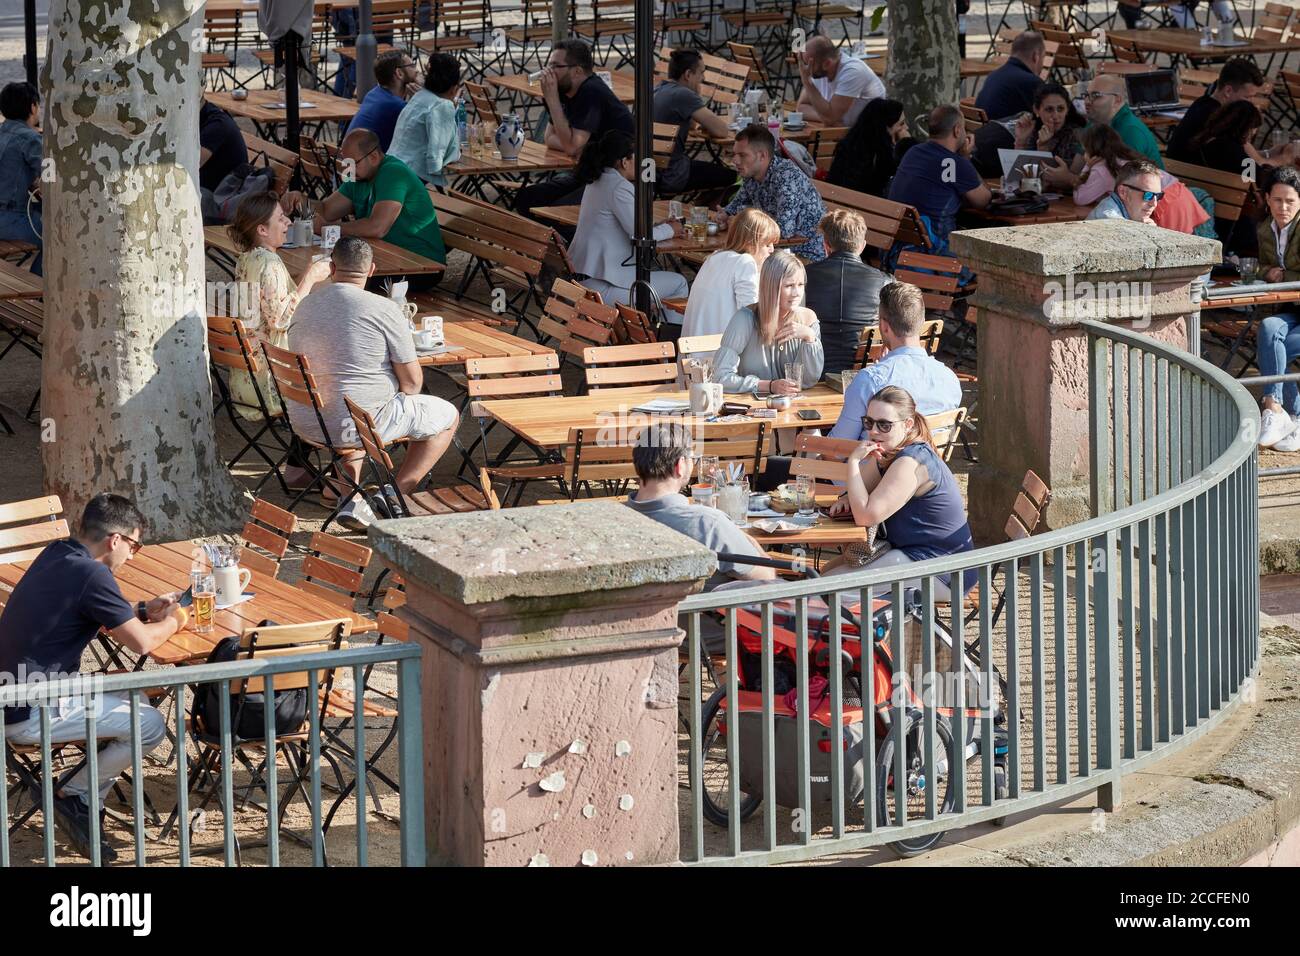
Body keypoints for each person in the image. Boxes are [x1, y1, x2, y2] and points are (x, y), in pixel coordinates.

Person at [1, 494, 181, 861]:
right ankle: (75, 792)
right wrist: (176, 620)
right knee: (149, 724)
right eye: (135, 546)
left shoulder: (58, 553)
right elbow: (144, 644)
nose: (133, 555)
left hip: (15, 692)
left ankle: (86, 799)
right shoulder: (93, 574)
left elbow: (85, 610)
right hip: (27, 711)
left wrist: (144, 609)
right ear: (116, 540)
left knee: (138, 700)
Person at [287, 238, 459, 529]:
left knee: (356, 401)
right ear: (372, 270)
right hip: (357, 423)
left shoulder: (303, 305)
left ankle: (348, 497)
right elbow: (413, 383)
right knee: (447, 416)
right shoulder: (384, 309)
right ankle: (394, 493)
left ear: (331, 268)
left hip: (305, 420)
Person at [825, 386, 974, 599]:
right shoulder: (893, 451)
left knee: (825, 589)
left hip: (943, 572)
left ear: (908, 425)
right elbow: (860, 490)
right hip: (914, 557)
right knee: (827, 572)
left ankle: (863, 630)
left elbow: (865, 515)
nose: (874, 431)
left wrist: (855, 461)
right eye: (869, 422)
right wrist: (848, 498)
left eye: (884, 425)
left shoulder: (910, 461)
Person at [225, 192, 332, 446]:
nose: (289, 223)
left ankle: (299, 468)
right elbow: (280, 320)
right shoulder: (269, 263)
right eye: (282, 219)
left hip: (244, 377)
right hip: (270, 380)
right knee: (334, 380)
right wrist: (311, 275)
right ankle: (307, 466)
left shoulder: (247, 259)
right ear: (262, 229)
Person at [624, 423, 775, 591]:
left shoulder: (613, 519)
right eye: (692, 459)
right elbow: (767, 578)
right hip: (707, 615)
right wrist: (748, 541)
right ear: (680, 466)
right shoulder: (709, 524)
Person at [568, 130, 688, 315]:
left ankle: (646, 335)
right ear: (625, 161)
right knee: (678, 284)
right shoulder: (618, 187)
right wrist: (671, 229)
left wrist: (660, 226)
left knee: (659, 282)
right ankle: (667, 341)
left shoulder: (597, 180)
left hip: (583, 280)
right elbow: (642, 235)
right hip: (599, 289)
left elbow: (627, 225)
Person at [313, 128, 446, 290]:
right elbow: (327, 210)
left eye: (353, 163)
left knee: (330, 281)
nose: (348, 169)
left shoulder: (393, 173)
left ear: (374, 157)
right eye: (345, 163)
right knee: (323, 275)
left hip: (422, 265)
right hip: (386, 261)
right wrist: (300, 201)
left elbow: (377, 227)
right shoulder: (359, 175)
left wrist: (329, 229)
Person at [828, 282, 962, 441]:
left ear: (884, 327)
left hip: (876, 464)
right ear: (922, 322)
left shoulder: (870, 380)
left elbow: (837, 450)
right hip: (928, 463)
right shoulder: (949, 379)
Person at [516, 40, 634, 219]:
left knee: (551, 213)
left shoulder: (590, 91)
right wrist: (575, 144)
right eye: (548, 65)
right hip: (589, 172)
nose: (548, 72)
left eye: (556, 66)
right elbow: (550, 139)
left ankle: (563, 245)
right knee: (526, 198)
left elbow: (571, 146)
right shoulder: (564, 92)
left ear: (577, 71)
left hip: (615, 177)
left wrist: (553, 101)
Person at [710, 250, 823, 395]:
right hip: (751, 410)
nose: (796, 293)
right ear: (771, 286)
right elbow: (720, 378)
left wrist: (809, 338)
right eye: (789, 286)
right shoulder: (745, 319)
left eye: (800, 285)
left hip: (793, 409)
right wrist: (768, 386)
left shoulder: (808, 320)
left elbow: (808, 381)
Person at [1071, 126, 1211, 235]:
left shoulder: (1102, 167)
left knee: (1175, 255)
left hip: (1166, 201)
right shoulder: (1124, 156)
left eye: (1084, 150)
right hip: (1176, 192)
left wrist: (1087, 166)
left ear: (1091, 150)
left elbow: (1080, 198)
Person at [717, 125, 827, 261]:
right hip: (775, 249)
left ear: (763, 156)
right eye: (734, 154)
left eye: (743, 155)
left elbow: (784, 231)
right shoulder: (752, 175)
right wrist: (724, 215)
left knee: (729, 260)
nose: (735, 160)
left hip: (805, 253)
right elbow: (733, 208)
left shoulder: (786, 176)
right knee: (722, 258)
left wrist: (741, 218)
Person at [887, 105, 991, 248]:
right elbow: (983, 201)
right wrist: (965, 158)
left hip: (896, 249)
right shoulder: (955, 163)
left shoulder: (913, 152)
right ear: (957, 130)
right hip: (932, 253)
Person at [804, 210, 892, 375]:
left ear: (826, 245)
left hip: (812, 369)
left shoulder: (801, 277)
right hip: (864, 371)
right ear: (862, 246)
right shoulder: (885, 281)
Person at [1255, 165, 1300, 452]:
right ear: (1267, 200)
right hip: (1287, 311)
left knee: (1274, 348)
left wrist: (1285, 276)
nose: (1283, 207)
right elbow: (1262, 267)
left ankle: (1292, 416)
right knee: (1268, 330)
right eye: (1278, 200)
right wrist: (1266, 271)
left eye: (1291, 201)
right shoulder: (1264, 230)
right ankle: (1277, 408)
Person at [682, 207, 779, 339]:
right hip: (719, 352)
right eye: (767, 244)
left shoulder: (716, 256)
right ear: (750, 242)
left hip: (693, 351)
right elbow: (751, 315)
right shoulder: (745, 262)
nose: (772, 250)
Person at [653, 49, 736, 199]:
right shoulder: (682, 95)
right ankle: (708, 215)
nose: (703, 78)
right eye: (701, 73)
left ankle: (701, 209)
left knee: (712, 171)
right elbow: (722, 131)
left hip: (654, 172)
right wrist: (696, 95)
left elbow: (692, 125)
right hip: (674, 175)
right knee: (734, 177)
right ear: (688, 75)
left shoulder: (659, 89)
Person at [1167, 58, 1265, 163]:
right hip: (1199, 177)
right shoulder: (1223, 119)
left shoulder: (1202, 103)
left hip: (1180, 171)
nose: (1251, 103)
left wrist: (1268, 153)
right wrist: (1282, 159)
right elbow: (1255, 165)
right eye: (1247, 97)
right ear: (1228, 91)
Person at [388, 52, 462, 187]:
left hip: (391, 167)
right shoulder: (442, 105)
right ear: (454, 88)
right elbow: (438, 157)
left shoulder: (419, 96)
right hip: (408, 177)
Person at [826, 97, 911, 196]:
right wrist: (906, 143)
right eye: (901, 124)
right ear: (886, 128)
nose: (906, 128)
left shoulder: (848, 147)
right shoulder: (881, 159)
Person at [796, 35, 885, 127]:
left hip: (867, 135)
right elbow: (802, 108)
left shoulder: (853, 72)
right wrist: (826, 118)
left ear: (827, 64)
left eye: (807, 64)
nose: (804, 69)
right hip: (842, 133)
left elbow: (830, 118)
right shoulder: (819, 71)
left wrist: (807, 82)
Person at [0, 81, 43, 275]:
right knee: (61, 235)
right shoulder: (31, 139)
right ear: (33, 107)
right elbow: (51, 180)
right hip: (10, 220)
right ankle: (39, 287)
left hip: (7, 216)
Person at [1083, 74, 1164, 169]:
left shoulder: (1131, 131)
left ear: (1117, 100)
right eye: (1087, 95)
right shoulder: (1096, 121)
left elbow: (1127, 179)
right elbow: (1080, 163)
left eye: (1096, 95)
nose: (1087, 101)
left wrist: (1073, 179)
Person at [346, 50, 421, 151]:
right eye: (412, 66)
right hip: (370, 165)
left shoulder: (374, 93)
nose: (417, 71)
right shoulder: (395, 106)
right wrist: (424, 96)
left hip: (354, 162)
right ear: (399, 73)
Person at [974, 31, 1045, 120]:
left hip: (982, 130)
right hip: (1004, 132)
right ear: (1036, 56)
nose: (1042, 64)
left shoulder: (994, 75)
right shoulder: (1032, 82)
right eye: (1043, 57)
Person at [1087, 160, 1164, 223]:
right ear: (1123, 192)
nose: (1154, 204)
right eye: (1148, 195)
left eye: (1158, 196)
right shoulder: (1110, 221)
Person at [199, 99, 249, 193]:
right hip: (209, 189)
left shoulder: (217, 124)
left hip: (221, 197)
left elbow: (189, 166)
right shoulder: (204, 115)